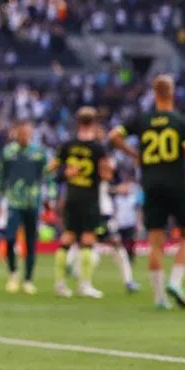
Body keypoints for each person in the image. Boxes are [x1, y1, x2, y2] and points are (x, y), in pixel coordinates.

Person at [109, 75, 185, 309]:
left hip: (150, 184)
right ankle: (175, 282)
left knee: (156, 242)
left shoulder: (142, 120)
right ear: (172, 93)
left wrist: (135, 154)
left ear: (154, 94)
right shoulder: (180, 122)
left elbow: (113, 136)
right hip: (176, 183)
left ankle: (159, 299)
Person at [52, 107, 114, 299]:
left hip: (71, 196)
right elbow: (106, 175)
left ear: (78, 122)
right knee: (87, 241)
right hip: (89, 198)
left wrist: (67, 173)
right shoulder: (98, 148)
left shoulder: (68, 145)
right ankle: (84, 285)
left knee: (67, 238)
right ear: (94, 123)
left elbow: (53, 169)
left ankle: (60, 284)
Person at [0, 120, 48, 295]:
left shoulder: (39, 153)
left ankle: (28, 280)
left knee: (31, 241)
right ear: (16, 133)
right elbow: (0, 177)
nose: (24, 136)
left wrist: (50, 199)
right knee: (9, 238)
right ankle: (13, 274)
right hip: (13, 202)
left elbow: (48, 176)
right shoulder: (8, 152)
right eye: (21, 133)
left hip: (33, 202)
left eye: (27, 133)